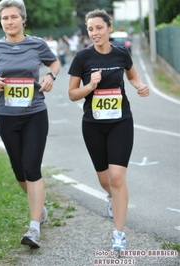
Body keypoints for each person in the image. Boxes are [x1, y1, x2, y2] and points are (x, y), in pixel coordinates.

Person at [0, 0, 60, 248]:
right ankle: (39, 208)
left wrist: (50, 75)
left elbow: (54, 62)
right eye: (5, 18)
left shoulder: (36, 44)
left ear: (23, 19)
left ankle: (33, 228)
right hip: (6, 115)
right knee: (19, 171)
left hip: (35, 113)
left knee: (32, 167)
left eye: (14, 17)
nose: (10, 22)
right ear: (0, 21)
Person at [67, 9, 149, 252]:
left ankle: (119, 235)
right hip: (93, 125)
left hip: (121, 122)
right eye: (91, 29)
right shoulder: (82, 58)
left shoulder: (122, 53)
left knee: (116, 178)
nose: (95, 33)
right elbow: (72, 94)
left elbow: (133, 76)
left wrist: (140, 86)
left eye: (99, 28)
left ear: (109, 28)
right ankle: (112, 197)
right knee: (105, 180)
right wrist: (90, 85)